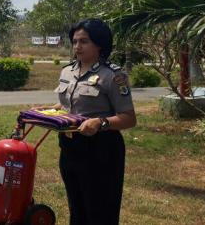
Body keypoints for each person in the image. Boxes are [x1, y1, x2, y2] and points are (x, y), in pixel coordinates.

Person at [34, 19, 136, 225]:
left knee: (100, 211)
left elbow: (129, 118)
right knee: (77, 207)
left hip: (101, 152)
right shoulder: (67, 72)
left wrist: (100, 122)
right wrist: (51, 110)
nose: (77, 47)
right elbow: (70, 105)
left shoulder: (113, 76)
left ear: (99, 44)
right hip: (70, 148)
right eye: (74, 42)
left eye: (84, 41)